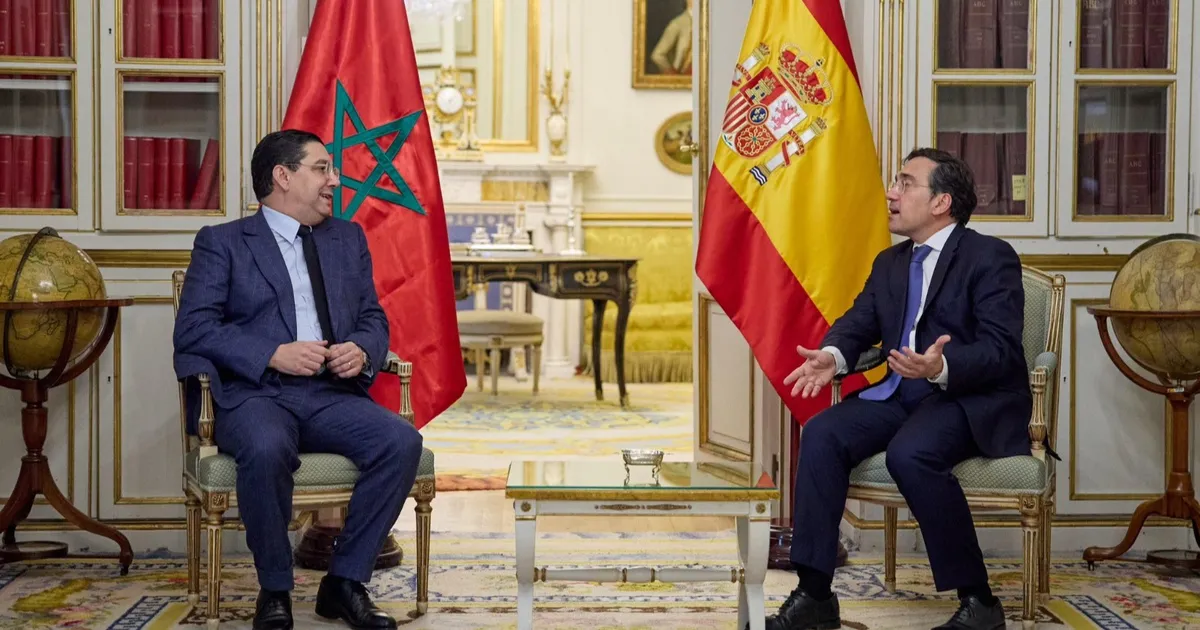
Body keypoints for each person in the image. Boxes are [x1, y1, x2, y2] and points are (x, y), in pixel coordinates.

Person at [766, 148, 1031, 630]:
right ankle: (815, 594)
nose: (892, 192)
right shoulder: (890, 262)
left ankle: (980, 601)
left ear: (941, 203)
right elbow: (858, 322)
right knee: (822, 432)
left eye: (906, 183)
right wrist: (833, 355)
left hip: (964, 398)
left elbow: (1002, 350)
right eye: (895, 182)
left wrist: (941, 365)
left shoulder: (989, 257)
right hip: (898, 395)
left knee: (911, 454)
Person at [173, 129, 423, 630]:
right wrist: (272, 354)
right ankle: (275, 589)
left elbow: (372, 317)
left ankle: (344, 583)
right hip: (255, 395)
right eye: (322, 168)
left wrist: (362, 349)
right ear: (283, 177)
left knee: (401, 442)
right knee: (267, 447)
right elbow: (194, 328)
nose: (335, 180)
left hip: (330, 394)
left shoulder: (347, 239)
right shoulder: (223, 243)